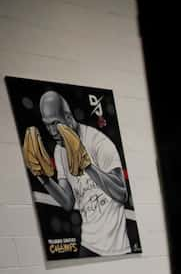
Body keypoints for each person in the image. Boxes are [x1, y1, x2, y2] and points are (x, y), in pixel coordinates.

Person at [22, 91, 132, 257]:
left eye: (55, 123)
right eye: (47, 125)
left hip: (116, 248)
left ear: (68, 117)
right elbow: (67, 202)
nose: (52, 131)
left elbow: (122, 194)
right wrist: (41, 176)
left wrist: (87, 166)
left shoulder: (99, 142)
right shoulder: (60, 151)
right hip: (88, 243)